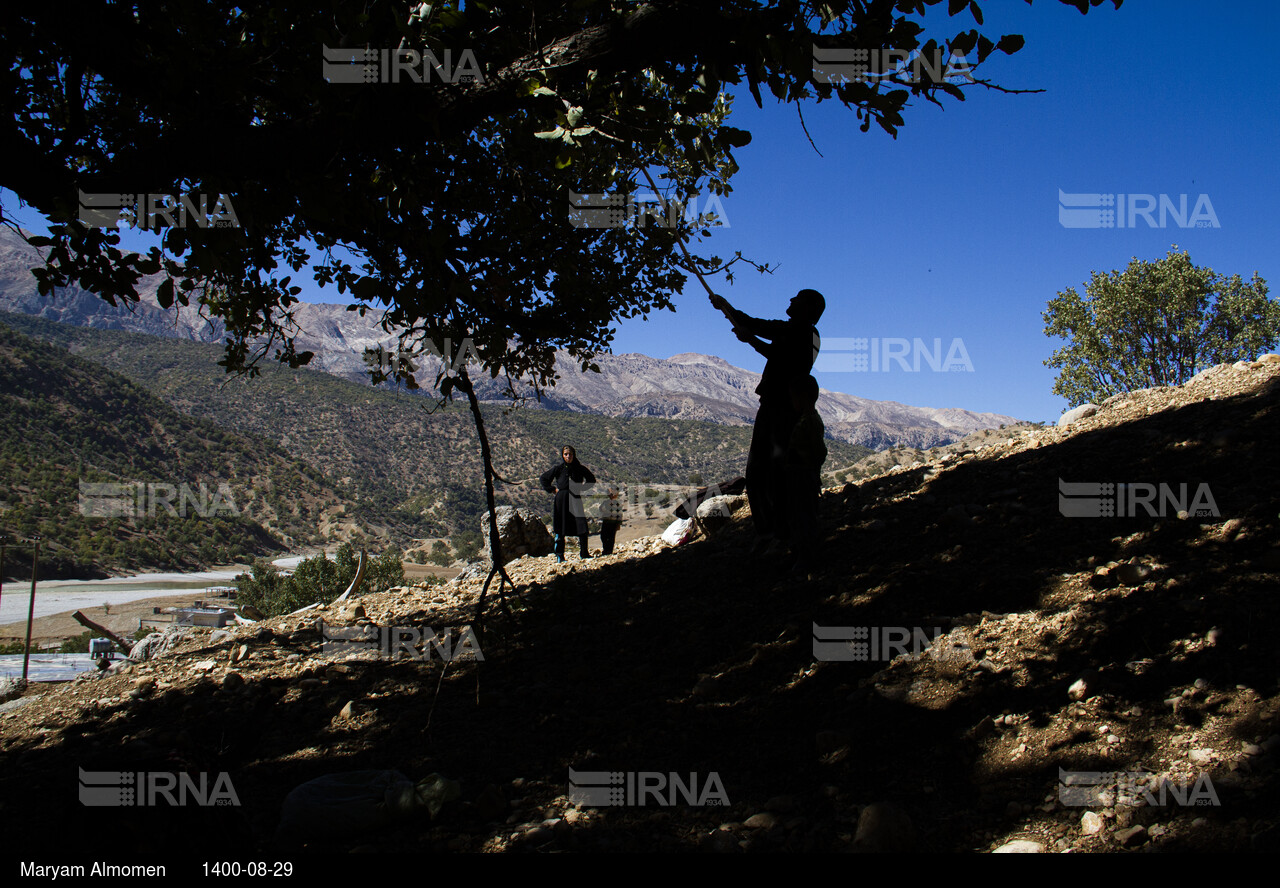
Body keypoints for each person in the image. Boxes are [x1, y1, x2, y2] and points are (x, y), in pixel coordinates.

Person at [709, 288, 825, 551]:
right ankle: (775, 528)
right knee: (766, 471)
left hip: (780, 408)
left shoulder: (801, 333)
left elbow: (776, 350)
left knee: (768, 470)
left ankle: (776, 530)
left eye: (797, 299)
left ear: (808, 309)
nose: (791, 300)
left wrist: (749, 337)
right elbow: (755, 326)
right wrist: (727, 308)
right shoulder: (801, 333)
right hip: (778, 406)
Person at [783, 375, 827, 575]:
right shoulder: (807, 419)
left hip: (803, 477)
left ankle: (807, 558)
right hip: (799, 476)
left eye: (794, 397)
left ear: (802, 398)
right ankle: (802, 554)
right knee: (798, 516)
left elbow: (819, 451)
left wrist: (806, 466)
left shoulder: (809, 421)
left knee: (804, 517)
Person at [540, 445, 596, 562]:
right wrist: (552, 489)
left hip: (575, 498)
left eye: (570, 454)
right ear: (562, 455)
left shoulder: (579, 468)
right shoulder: (558, 469)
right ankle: (560, 556)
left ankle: (584, 553)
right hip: (562, 499)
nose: (568, 456)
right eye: (566, 454)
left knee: (581, 525)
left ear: (573, 455)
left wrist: (582, 488)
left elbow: (591, 479)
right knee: (561, 527)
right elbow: (544, 478)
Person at [599, 487, 624, 555]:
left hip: (613, 523)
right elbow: (600, 509)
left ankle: (609, 551)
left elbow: (620, 514)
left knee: (611, 537)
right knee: (603, 536)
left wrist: (619, 523)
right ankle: (606, 549)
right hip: (606, 521)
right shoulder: (606, 502)